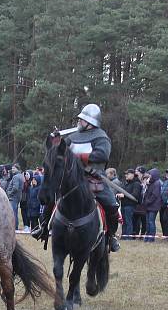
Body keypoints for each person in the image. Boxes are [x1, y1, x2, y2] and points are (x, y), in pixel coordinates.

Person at [32, 104, 120, 252]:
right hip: (72, 180)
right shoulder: (72, 137)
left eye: (82, 120)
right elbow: (59, 153)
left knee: (112, 205)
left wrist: (77, 157)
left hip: (94, 179)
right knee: (52, 198)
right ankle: (43, 228)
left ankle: (111, 236)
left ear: (90, 122)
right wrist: (55, 142)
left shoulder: (101, 137)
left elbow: (102, 155)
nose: (79, 122)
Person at [120, 169, 142, 239]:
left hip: (130, 205)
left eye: (128, 174)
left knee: (128, 221)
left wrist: (124, 195)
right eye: (125, 174)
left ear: (133, 174)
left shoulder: (136, 184)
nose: (126, 175)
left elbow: (135, 195)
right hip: (123, 205)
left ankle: (128, 236)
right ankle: (123, 236)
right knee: (124, 221)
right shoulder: (126, 183)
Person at [142, 168, 162, 242]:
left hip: (154, 206)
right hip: (148, 205)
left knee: (151, 221)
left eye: (150, 175)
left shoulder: (157, 183)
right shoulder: (151, 183)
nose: (149, 176)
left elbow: (155, 195)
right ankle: (147, 236)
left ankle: (151, 237)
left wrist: (148, 201)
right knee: (147, 222)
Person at [6, 164, 25, 230]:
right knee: (15, 213)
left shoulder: (16, 177)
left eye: (14, 168)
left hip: (13, 197)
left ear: (17, 169)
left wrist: (9, 193)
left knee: (13, 213)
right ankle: (15, 227)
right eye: (12, 168)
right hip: (17, 197)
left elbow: (15, 188)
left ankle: (14, 228)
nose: (12, 169)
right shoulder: (21, 176)